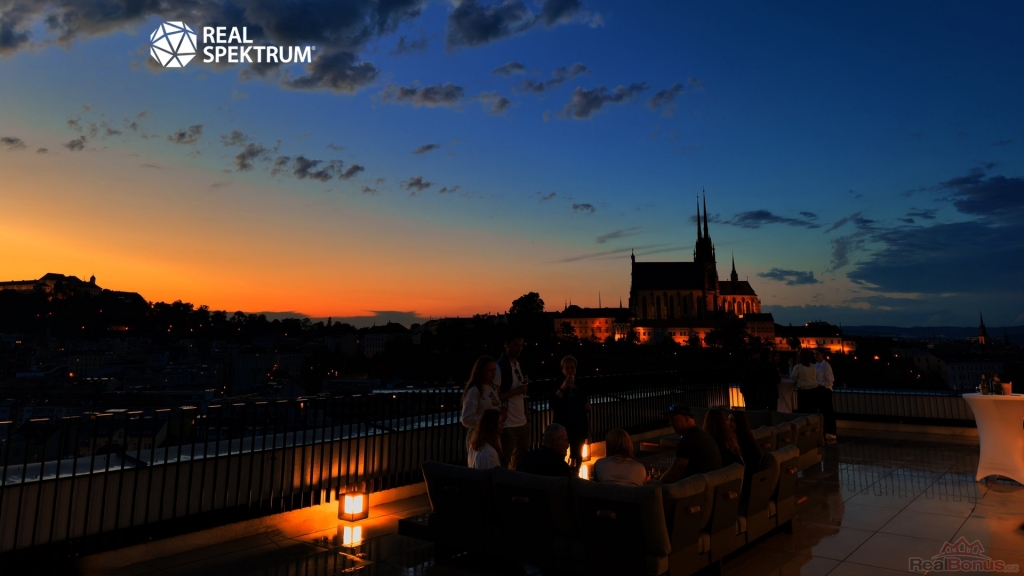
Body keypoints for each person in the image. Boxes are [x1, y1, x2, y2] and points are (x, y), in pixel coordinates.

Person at [658, 404, 722, 484]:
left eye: (673, 419)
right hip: (710, 485)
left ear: (687, 418)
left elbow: (671, 476)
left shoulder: (687, 441)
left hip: (697, 489)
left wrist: (656, 483)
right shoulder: (703, 435)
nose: (670, 422)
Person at [494, 331, 530, 469]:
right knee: (504, 461)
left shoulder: (520, 365)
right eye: (516, 345)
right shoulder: (500, 367)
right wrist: (516, 391)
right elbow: (496, 396)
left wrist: (526, 416)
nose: (519, 348)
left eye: (521, 345)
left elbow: (524, 394)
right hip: (508, 424)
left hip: (522, 422)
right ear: (507, 345)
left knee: (521, 463)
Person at [551, 355, 590, 467]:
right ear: (562, 369)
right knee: (559, 455)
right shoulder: (557, 383)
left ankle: (575, 473)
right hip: (563, 426)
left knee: (577, 455)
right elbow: (554, 402)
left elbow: (584, 401)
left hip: (578, 426)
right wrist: (564, 386)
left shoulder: (580, 384)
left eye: (572, 367)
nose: (570, 370)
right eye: (567, 368)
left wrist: (587, 406)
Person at [461, 355, 502, 452]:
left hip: (492, 436)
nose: (493, 373)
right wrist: (487, 421)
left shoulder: (492, 388)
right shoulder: (474, 391)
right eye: (489, 370)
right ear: (481, 371)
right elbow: (466, 419)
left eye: (494, 370)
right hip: (478, 437)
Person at [814, 349, 838, 443]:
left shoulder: (826, 365)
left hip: (825, 390)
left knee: (828, 411)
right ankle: (825, 430)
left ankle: (831, 432)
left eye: (817, 354)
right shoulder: (816, 365)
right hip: (820, 389)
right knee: (823, 411)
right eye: (815, 354)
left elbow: (830, 380)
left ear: (822, 354)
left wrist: (822, 385)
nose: (815, 355)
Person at [791, 348, 818, 417]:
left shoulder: (798, 367)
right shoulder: (814, 366)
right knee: (812, 411)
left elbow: (792, 377)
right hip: (814, 390)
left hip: (803, 391)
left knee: (803, 411)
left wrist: (791, 366)